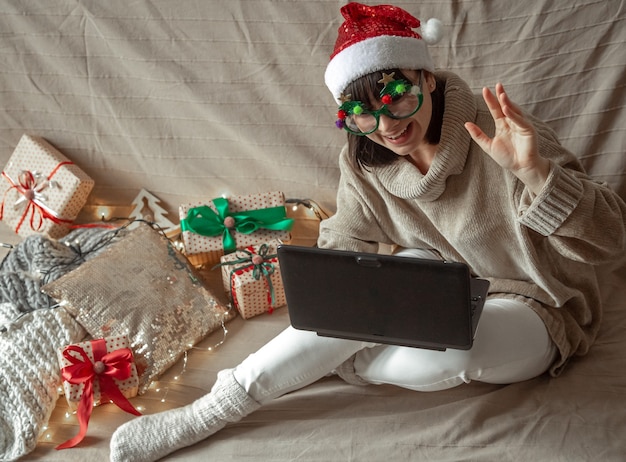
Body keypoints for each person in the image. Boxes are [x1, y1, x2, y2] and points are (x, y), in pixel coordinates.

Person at [109, 3, 626, 461]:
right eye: (362, 114)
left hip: (535, 305)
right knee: (362, 296)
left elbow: (610, 239)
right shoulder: (364, 158)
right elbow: (346, 241)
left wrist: (537, 176)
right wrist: (338, 298)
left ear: (425, 78)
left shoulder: (505, 135)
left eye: (397, 96)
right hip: (431, 284)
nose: (386, 126)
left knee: (459, 349)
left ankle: (337, 356)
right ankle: (211, 411)